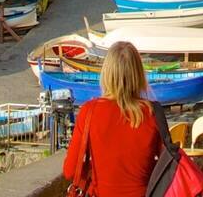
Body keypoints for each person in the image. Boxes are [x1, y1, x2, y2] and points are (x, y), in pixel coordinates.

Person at [61, 42, 165, 196]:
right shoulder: (152, 112)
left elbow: (70, 171)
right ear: (138, 74)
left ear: (107, 73)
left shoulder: (89, 111)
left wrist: (98, 168)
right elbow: (166, 166)